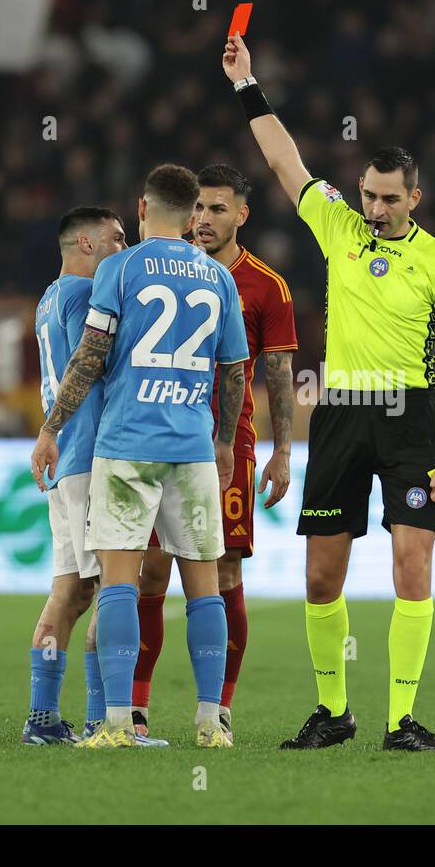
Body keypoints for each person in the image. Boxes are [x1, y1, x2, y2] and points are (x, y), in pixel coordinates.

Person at [223, 34, 435, 752]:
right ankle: (334, 712)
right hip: (340, 412)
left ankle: (402, 721)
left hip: (408, 418)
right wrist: (249, 84)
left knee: (413, 565)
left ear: (414, 199)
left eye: (388, 199)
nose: (373, 207)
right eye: (367, 194)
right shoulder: (337, 223)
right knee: (319, 576)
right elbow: (283, 160)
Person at [30, 164, 249, 749]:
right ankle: (210, 722)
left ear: (143, 208)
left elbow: (92, 355)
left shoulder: (119, 269)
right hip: (193, 445)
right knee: (205, 586)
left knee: (120, 584)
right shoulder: (218, 278)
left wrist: (52, 426)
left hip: (127, 446)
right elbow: (234, 371)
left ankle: (119, 723)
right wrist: (224, 439)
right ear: (193, 211)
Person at [133, 164, 298, 743]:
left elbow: (277, 372)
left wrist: (281, 451)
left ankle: (219, 709)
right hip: (156, 438)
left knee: (223, 569)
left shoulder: (266, 287)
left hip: (229, 448)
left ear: (242, 216)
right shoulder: (162, 270)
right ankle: (136, 706)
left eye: (218, 209)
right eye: (199, 208)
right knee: (150, 569)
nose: (204, 219)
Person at [21, 207, 126, 745]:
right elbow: (100, 363)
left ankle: (42, 718)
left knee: (71, 589)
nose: (123, 246)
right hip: (86, 452)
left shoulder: (48, 297)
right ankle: (99, 721)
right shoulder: (86, 296)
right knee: (111, 586)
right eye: (116, 238)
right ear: (86, 242)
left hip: (65, 456)